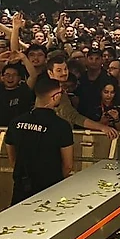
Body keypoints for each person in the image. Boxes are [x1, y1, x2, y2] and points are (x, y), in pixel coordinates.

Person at [6, 76, 74, 204]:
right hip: (50, 189)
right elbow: (68, 165)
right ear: (55, 96)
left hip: (21, 186)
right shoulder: (61, 126)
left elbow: (12, 157)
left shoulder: (15, 122)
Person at [46, 51, 118, 139]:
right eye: (59, 70)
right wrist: (101, 127)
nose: (64, 73)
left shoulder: (61, 91)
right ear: (50, 73)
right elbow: (74, 116)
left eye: (65, 69)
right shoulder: (49, 91)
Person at [0, 59, 34, 126]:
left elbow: (33, 76)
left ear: (19, 78)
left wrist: (23, 57)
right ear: (2, 78)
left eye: (14, 75)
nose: (10, 77)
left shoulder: (24, 90)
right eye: (7, 74)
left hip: (19, 127)